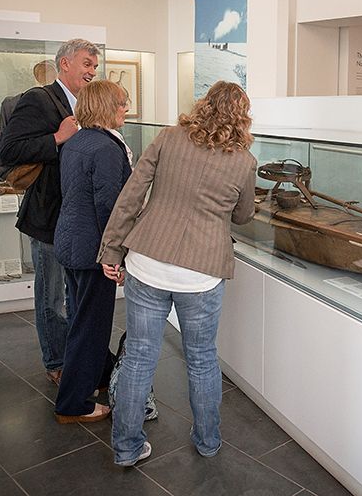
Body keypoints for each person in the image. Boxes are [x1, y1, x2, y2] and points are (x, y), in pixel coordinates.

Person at [98, 80, 257, 466]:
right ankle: (207, 441)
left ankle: (126, 447)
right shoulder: (244, 162)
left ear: (202, 105)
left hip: (147, 261)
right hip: (201, 274)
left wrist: (113, 249)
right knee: (202, 358)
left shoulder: (168, 138)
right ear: (243, 118)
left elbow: (131, 195)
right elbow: (243, 215)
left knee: (138, 356)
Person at [0, 38, 100, 386]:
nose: (92, 71)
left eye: (95, 66)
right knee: (51, 295)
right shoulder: (38, 99)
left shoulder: (83, 106)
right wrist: (57, 138)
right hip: (48, 217)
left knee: (74, 294)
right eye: (87, 64)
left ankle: (75, 356)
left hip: (76, 217)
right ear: (65, 64)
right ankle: (56, 361)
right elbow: (8, 150)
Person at [53, 80, 132, 423]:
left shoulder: (77, 142)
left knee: (83, 318)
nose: (126, 109)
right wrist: (114, 256)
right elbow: (110, 207)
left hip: (71, 242)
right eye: (122, 104)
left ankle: (99, 377)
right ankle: (73, 403)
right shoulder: (106, 149)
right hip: (92, 250)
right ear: (105, 107)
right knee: (91, 324)